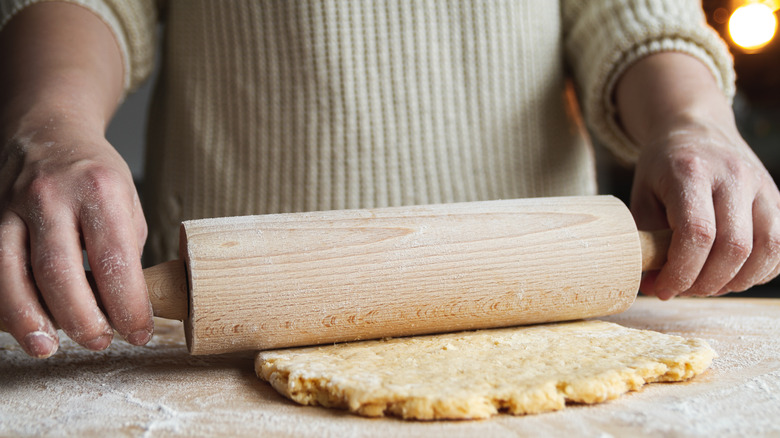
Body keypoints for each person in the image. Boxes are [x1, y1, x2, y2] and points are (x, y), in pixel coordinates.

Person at [1, 0, 778, 359]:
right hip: (233, 324)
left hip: (541, 310)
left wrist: (693, 122)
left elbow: (627, 12)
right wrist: (56, 124)